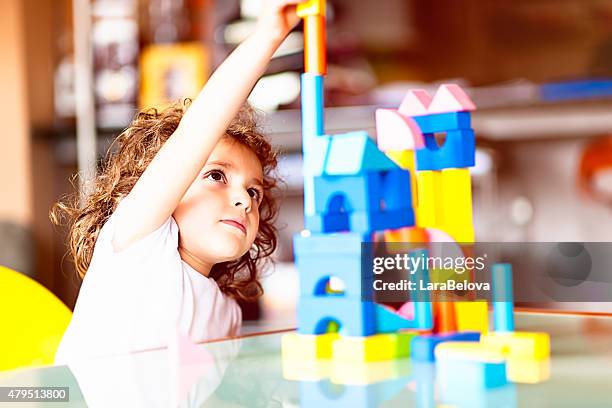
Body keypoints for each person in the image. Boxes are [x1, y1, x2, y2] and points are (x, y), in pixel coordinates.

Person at [51, 0, 305, 364]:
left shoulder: (227, 314)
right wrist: (269, 35)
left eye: (253, 191)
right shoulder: (139, 246)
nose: (245, 201)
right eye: (216, 176)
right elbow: (196, 131)